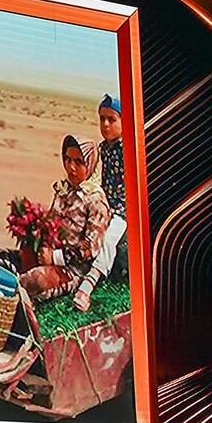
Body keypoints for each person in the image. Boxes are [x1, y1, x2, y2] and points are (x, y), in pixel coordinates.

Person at [19, 135, 111, 304]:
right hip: (48, 254)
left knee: (35, 280)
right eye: (68, 160)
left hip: (72, 270)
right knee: (2, 257)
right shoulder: (64, 189)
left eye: (78, 162)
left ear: (90, 164)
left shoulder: (96, 200)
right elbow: (52, 222)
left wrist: (55, 257)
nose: (71, 167)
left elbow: (90, 249)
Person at [74, 94, 127, 311]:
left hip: (124, 210)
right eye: (102, 119)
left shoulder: (129, 149)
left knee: (108, 239)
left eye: (111, 119)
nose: (105, 124)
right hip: (105, 203)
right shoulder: (103, 148)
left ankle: (87, 286)